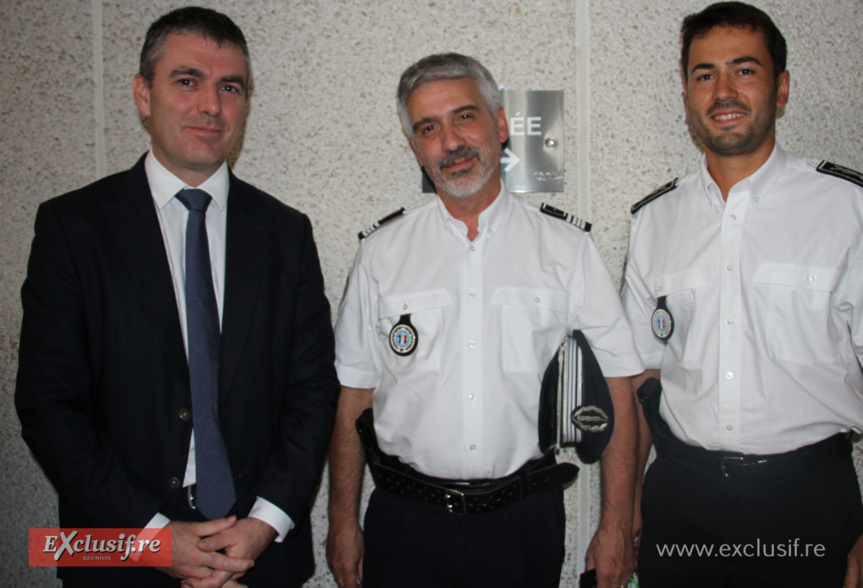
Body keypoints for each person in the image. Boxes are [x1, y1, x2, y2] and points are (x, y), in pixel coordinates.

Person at [15, 7, 339, 587]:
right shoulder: (74, 228)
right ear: (144, 94)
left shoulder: (286, 233)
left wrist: (264, 523)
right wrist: (151, 536)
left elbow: (312, 392)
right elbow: (49, 405)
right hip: (116, 554)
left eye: (229, 87)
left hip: (256, 555)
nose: (211, 105)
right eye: (187, 81)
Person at [327, 52, 644, 588]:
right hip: (406, 522)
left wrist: (614, 522)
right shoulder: (381, 255)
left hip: (525, 520)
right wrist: (341, 522)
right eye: (429, 128)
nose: (450, 142)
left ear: (500, 125)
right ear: (415, 146)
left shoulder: (566, 249)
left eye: (464, 117)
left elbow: (618, 385)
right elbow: (354, 397)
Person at [621, 2, 863, 586]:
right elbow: (640, 380)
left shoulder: (847, 210)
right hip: (679, 499)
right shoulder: (654, 222)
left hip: (808, 500)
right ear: (686, 95)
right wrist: (623, 506)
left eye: (744, 70)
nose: (723, 90)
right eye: (705, 74)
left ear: (781, 88)